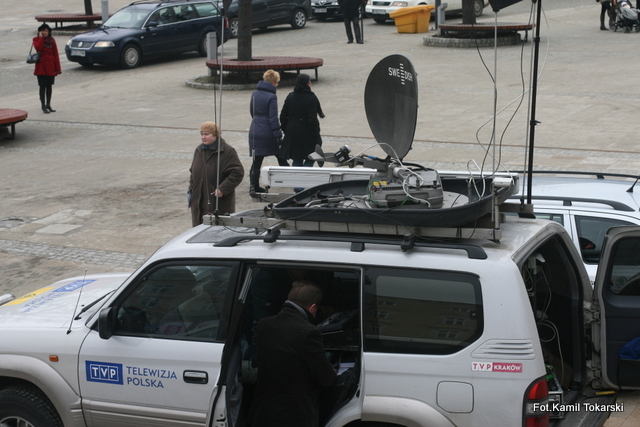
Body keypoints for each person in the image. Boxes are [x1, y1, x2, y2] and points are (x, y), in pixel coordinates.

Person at [249, 280, 337, 427]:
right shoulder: (309, 332)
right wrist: (332, 372)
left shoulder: (263, 325)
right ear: (313, 308)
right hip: (295, 414)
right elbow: (326, 378)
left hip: (263, 411)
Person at [189, 122, 244, 226]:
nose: (203, 137)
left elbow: (237, 173)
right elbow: (193, 172)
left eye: (206, 134)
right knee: (198, 230)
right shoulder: (199, 150)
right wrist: (192, 189)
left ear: (215, 135)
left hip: (218, 203)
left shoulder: (227, 151)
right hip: (198, 202)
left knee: (217, 230)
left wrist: (222, 189)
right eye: (201, 134)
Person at [248, 70, 289, 194]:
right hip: (267, 131)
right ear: (273, 82)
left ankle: (253, 186)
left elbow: (252, 112)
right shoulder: (272, 96)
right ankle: (291, 178)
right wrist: (278, 134)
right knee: (280, 155)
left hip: (255, 129)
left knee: (257, 160)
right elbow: (273, 117)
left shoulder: (254, 94)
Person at [279, 74, 325, 169]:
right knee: (311, 157)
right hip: (307, 133)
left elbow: (283, 116)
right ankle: (302, 177)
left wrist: (287, 130)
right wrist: (315, 134)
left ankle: (296, 177)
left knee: (297, 159)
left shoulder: (291, 96)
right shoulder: (311, 98)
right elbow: (312, 119)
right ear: (308, 83)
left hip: (293, 132)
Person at [33, 23, 61, 114]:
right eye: (42, 31)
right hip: (41, 68)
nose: (44, 32)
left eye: (46, 31)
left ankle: (48, 104)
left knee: (49, 86)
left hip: (50, 67)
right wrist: (41, 38)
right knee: (42, 86)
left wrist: (57, 68)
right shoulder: (36, 39)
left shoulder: (52, 40)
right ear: (39, 32)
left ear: (49, 32)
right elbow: (38, 48)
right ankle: (43, 105)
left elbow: (55, 54)